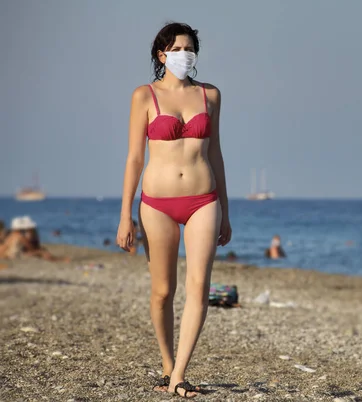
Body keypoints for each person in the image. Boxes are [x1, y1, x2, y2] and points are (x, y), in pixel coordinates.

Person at [115, 22, 231, 398]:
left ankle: (180, 373)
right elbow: (134, 158)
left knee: (199, 288)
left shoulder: (209, 96)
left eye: (189, 47)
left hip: (204, 199)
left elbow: (215, 154)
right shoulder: (144, 96)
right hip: (157, 204)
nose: (185, 53)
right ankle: (168, 364)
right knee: (163, 291)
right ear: (161, 54)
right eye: (177, 48)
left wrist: (225, 212)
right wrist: (125, 215)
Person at [0, 216, 70, 262]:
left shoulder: (11, 235)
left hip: (10, 254)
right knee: (43, 252)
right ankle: (59, 260)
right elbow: (31, 248)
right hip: (15, 256)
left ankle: (58, 259)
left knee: (41, 251)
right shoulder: (20, 236)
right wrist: (39, 250)